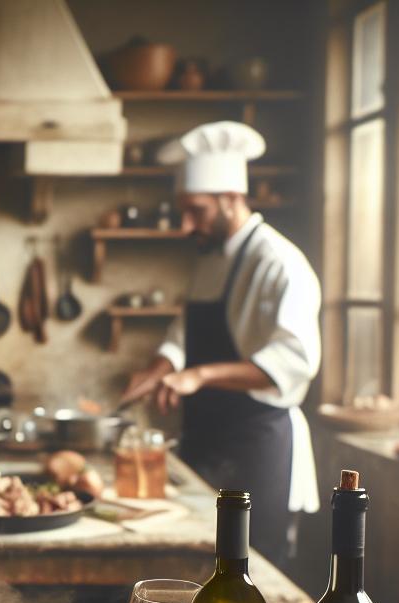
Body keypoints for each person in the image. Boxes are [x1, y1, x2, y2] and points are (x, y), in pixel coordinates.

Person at [120, 121, 321, 559]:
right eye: (182, 211)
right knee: (201, 568)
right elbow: (183, 334)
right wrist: (157, 371)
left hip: (257, 448)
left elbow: (293, 362)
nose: (185, 225)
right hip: (209, 441)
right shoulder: (211, 259)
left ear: (232, 199)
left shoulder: (279, 263)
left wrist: (199, 375)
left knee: (253, 575)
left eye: (197, 211)